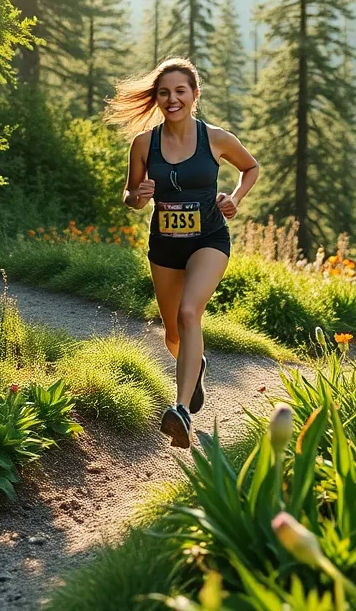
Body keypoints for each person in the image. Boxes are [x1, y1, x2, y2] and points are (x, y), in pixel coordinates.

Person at [105, 57, 260, 448]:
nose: (172, 99)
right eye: (164, 92)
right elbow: (130, 196)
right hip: (165, 246)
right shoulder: (144, 144)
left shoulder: (216, 138)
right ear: (156, 99)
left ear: (194, 95)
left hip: (209, 239)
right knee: (173, 330)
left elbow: (250, 168)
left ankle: (181, 412)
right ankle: (196, 366)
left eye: (180, 91)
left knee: (191, 313)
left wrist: (235, 199)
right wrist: (136, 197)